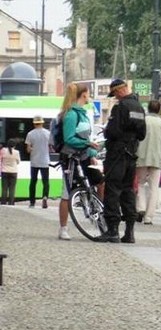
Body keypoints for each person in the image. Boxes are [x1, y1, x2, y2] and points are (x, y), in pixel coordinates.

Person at [101, 79, 146, 244]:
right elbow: (142, 134)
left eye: (114, 94)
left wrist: (108, 132)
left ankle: (112, 230)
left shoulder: (120, 107)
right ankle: (129, 232)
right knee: (128, 192)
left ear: (119, 90)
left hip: (117, 154)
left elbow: (112, 131)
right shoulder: (139, 107)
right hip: (132, 154)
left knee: (113, 190)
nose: (115, 98)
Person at [56, 83, 102, 240]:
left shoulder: (82, 113)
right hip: (70, 158)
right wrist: (87, 144)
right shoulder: (71, 115)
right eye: (88, 93)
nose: (89, 96)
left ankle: (99, 212)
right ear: (83, 95)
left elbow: (84, 138)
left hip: (84, 156)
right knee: (66, 193)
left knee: (100, 181)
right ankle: (63, 228)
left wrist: (92, 152)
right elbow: (69, 138)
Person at [136, 100, 161, 225]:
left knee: (140, 183)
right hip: (158, 158)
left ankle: (140, 207)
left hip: (142, 156)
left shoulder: (143, 121)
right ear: (159, 109)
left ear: (148, 108)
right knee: (154, 187)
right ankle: (149, 217)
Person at [25, 115, 51, 209]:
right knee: (45, 181)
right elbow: (51, 147)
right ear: (42, 123)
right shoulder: (48, 133)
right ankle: (44, 197)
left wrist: (33, 148)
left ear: (34, 123)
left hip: (34, 161)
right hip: (45, 161)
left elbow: (28, 149)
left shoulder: (30, 134)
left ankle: (32, 202)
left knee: (33, 181)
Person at [1, 139, 20, 206]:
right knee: (12, 188)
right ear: (14, 145)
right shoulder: (17, 152)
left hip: (4, 171)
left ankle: (3, 202)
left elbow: (1, 159)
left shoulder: (3, 151)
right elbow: (18, 162)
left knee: (4, 188)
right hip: (13, 172)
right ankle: (11, 203)